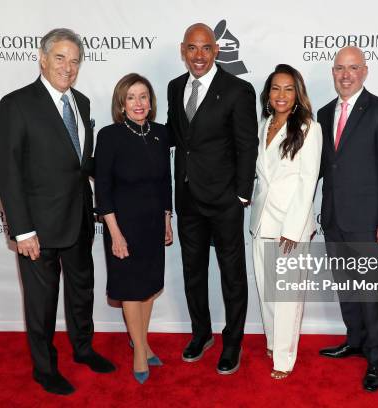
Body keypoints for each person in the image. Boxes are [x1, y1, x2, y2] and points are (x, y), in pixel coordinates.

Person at [0, 28, 115, 395]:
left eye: (75, 60)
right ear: (42, 59)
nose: (68, 67)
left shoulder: (82, 102)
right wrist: (22, 229)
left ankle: (83, 349)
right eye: (60, 58)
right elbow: (7, 171)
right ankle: (44, 369)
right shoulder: (16, 104)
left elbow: (82, 164)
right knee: (42, 303)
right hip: (38, 228)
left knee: (82, 291)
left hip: (78, 219)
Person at [166, 23, 258, 375]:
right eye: (193, 48)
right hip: (188, 198)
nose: (199, 55)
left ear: (216, 51)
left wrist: (240, 195)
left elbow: (247, 144)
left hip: (224, 201)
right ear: (183, 50)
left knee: (232, 275)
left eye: (206, 48)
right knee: (192, 272)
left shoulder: (237, 90)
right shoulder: (176, 87)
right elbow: (177, 137)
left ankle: (232, 341)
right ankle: (201, 333)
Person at [316, 46, 378, 391]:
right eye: (340, 68)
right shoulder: (324, 114)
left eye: (353, 68)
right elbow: (325, 167)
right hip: (334, 218)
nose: (345, 74)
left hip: (369, 221)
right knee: (347, 286)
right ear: (333, 72)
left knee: (369, 290)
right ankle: (354, 340)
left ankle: (375, 355)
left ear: (365, 71)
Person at [94, 73, 173, 384]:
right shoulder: (109, 136)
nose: (138, 103)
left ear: (151, 102)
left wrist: (167, 218)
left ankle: (142, 340)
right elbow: (103, 189)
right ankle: (140, 350)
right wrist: (114, 232)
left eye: (144, 96)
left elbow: (166, 180)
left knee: (149, 286)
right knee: (130, 287)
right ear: (121, 104)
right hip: (123, 225)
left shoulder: (161, 133)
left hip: (153, 222)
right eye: (131, 97)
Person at [249, 64, 322, 379]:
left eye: (288, 88)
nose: (281, 95)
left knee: (287, 297)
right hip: (261, 221)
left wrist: (293, 229)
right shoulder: (263, 124)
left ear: (298, 94)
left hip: (290, 225)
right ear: (268, 94)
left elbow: (308, 182)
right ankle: (272, 341)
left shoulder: (308, 128)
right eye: (276, 88)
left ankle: (284, 358)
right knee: (267, 291)